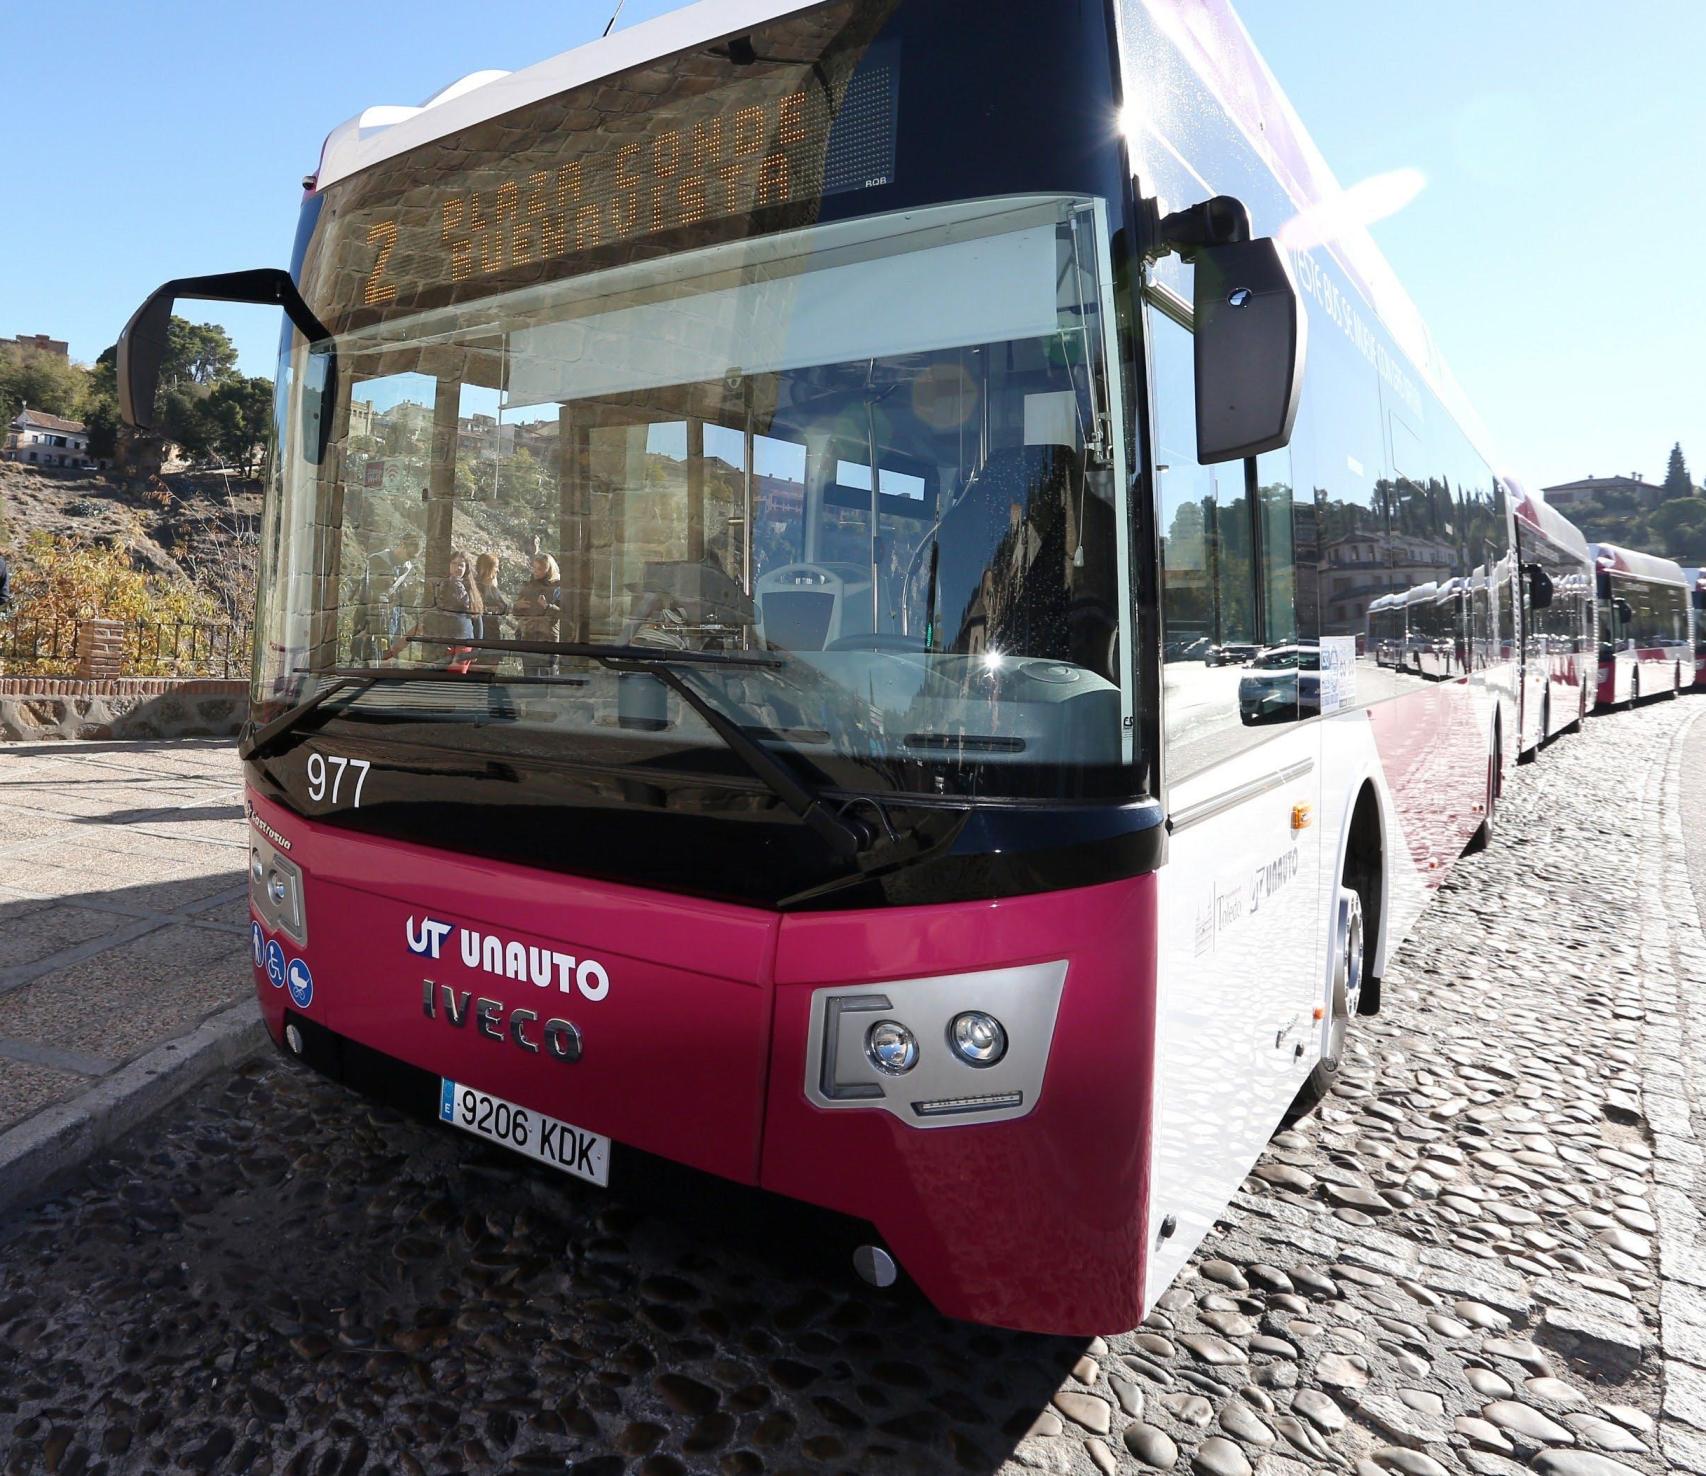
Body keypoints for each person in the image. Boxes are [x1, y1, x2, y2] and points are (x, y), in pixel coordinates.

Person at [356, 534, 420, 662]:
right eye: (408, 556)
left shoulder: (407, 567)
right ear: (402, 545)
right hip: (374, 616)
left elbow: (404, 600)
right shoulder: (378, 560)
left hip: (394, 617)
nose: (408, 561)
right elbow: (372, 593)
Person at [512, 552, 562, 675]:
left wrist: (547, 606)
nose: (536, 571)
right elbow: (517, 613)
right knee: (530, 678)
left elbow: (564, 614)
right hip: (528, 637)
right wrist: (517, 607)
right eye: (534, 568)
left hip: (547, 639)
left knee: (548, 679)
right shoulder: (528, 586)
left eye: (540, 569)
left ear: (549, 569)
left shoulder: (557, 588)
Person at [474, 553, 508, 643]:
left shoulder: (493, 588)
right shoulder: (475, 587)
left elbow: (503, 607)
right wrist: (490, 609)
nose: (498, 570)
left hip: (493, 632)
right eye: (496, 567)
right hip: (480, 632)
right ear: (487, 568)